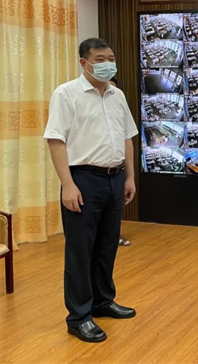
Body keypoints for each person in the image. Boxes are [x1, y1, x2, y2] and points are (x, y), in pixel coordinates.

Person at [44, 38, 138, 343]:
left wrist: (129, 177)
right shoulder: (66, 94)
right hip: (82, 179)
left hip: (114, 177)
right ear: (84, 63)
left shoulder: (117, 94)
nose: (108, 63)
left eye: (111, 58)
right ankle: (79, 317)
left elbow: (127, 137)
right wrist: (68, 185)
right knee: (80, 251)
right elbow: (56, 140)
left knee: (107, 246)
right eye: (100, 59)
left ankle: (103, 301)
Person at [108, 77, 132, 247]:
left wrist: (130, 177)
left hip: (116, 172)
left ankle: (114, 236)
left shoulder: (119, 102)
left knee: (113, 214)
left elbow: (127, 139)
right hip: (88, 175)